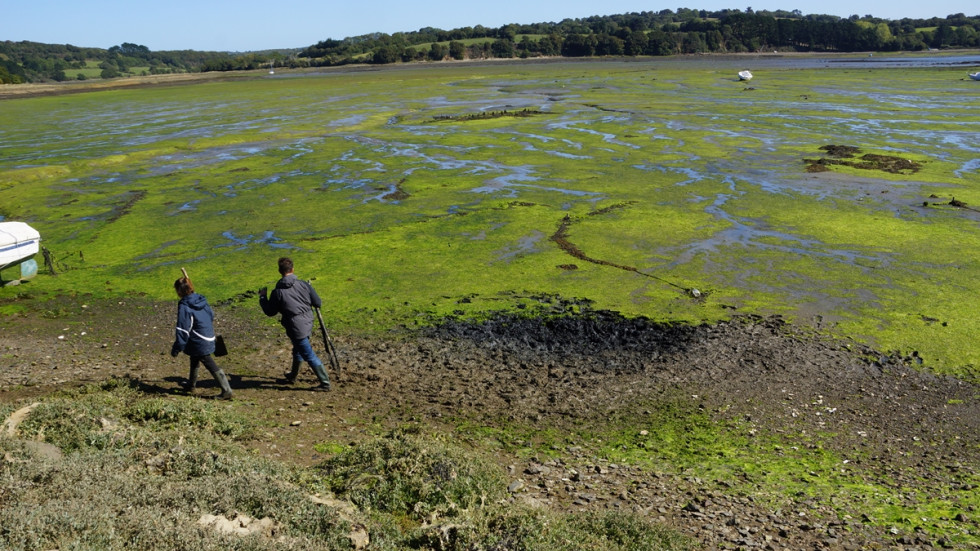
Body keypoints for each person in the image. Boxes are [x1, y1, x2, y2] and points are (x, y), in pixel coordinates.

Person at [259, 257, 331, 391]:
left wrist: (263, 297)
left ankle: (325, 383)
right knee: (298, 348)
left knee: (308, 354)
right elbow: (317, 303)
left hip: (295, 327)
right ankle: (293, 375)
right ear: (292, 269)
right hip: (308, 322)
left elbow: (270, 312)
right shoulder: (304, 284)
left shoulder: (277, 292)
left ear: (279, 271)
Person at [171, 275, 233, 400]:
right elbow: (211, 315)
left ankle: (227, 390)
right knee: (194, 356)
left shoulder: (184, 306)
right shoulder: (200, 299)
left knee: (208, 361)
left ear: (179, 291)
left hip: (200, 340)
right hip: (209, 334)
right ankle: (191, 385)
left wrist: (177, 347)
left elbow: (183, 329)